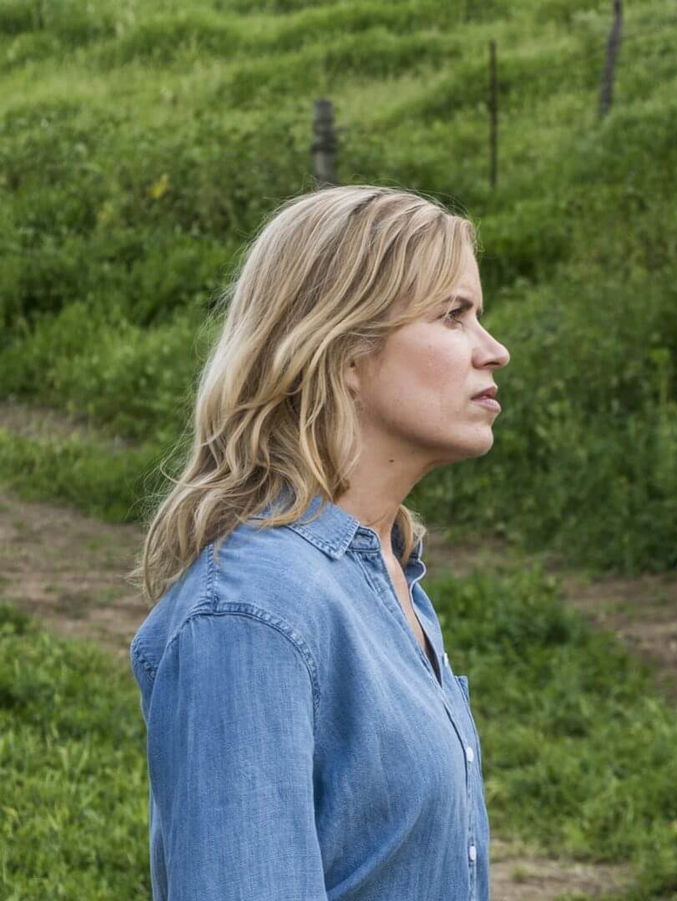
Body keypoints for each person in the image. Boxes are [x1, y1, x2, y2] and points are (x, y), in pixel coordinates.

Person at [131, 186, 509, 900]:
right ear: (344, 352)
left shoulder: (386, 573)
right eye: (454, 315)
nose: (495, 350)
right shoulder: (250, 614)